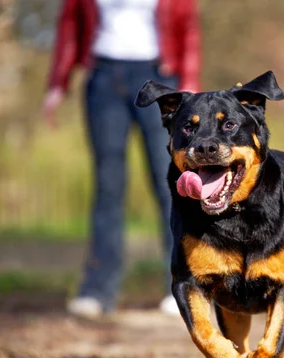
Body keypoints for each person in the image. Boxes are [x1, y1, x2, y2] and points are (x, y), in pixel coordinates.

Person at [42, 0, 201, 317]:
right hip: (103, 77)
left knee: (170, 181)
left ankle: (185, 284)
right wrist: (58, 83)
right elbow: (70, 25)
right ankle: (97, 291)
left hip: (158, 74)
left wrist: (190, 80)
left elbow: (187, 26)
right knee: (108, 187)